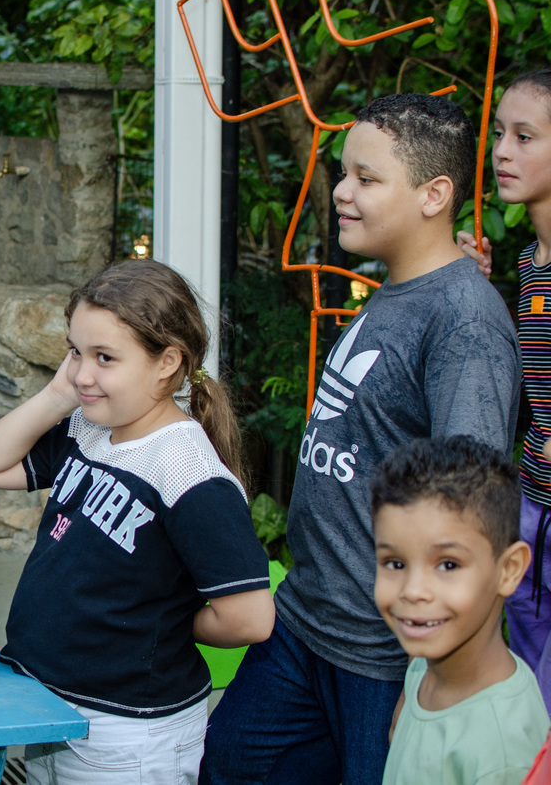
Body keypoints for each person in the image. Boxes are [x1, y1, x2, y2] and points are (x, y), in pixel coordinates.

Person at [199, 93, 522, 785]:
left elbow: (471, 512)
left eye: (366, 179)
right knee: (229, 760)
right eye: (346, 173)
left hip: (384, 657)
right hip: (304, 622)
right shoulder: (397, 290)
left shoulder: (465, 320)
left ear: (435, 194)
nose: (341, 191)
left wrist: (434, 676)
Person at [0, 258, 275, 784]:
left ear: (166, 362)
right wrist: (57, 396)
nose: (84, 374)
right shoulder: (90, 429)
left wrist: (167, 622)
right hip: (50, 705)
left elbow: (249, 618)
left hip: (128, 734)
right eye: (76, 352)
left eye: (105, 357)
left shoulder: (189, 474)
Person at [371, 435, 547, 784]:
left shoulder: (504, 750)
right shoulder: (424, 663)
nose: (413, 591)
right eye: (394, 563)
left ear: (509, 570)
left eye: (448, 565)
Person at [460, 67, 551, 720]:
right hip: (529, 508)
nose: (502, 153)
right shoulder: (528, 262)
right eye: (500, 135)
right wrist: (483, 290)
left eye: (524, 137)